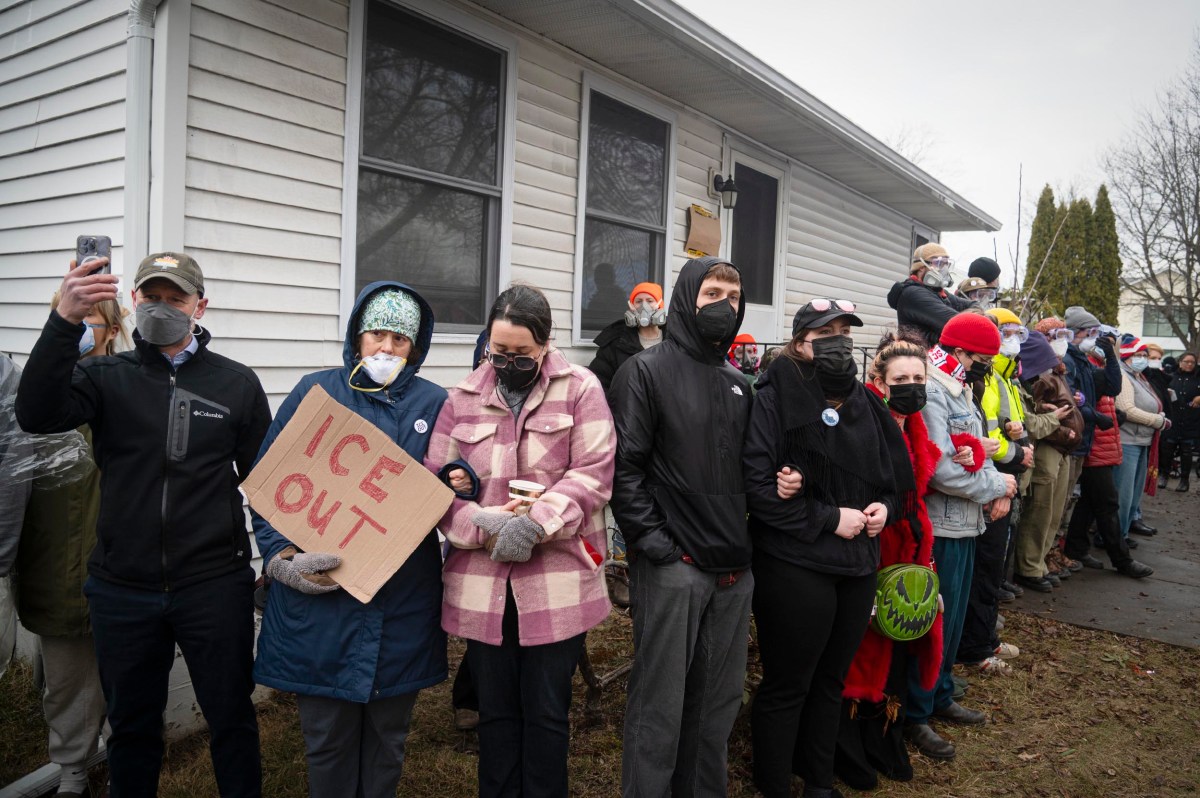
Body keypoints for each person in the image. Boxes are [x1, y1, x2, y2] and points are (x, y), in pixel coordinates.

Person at [16, 252, 270, 797]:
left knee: (231, 717)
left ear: (199, 306)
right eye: (150, 297)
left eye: (174, 298)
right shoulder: (104, 376)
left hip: (212, 585)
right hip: (121, 588)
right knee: (131, 729)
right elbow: (35, 413)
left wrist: (281, 553)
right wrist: (64, 319)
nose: (160, 308)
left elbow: (266, 481)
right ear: (133, 300)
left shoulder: (236, 384)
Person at [611, 257, 798, 796]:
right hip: (675, 567)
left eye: (733, 295)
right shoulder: (645, 371)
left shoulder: (739, 382)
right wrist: (655, 546)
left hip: (734, 570)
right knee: (660, 708)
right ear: (686, 297)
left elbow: (750, 469)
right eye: (711, 292)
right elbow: (626, 469)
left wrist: (782, 482)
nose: (724, 305)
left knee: (717, 707)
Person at [251, 283, 448, 798]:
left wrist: (459, 477)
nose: (386, 349)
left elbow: (448, 481)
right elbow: (272, 483)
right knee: (327, 741)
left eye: (400, 340)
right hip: (321, 605)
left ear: (416, 347)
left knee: (389, 740)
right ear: (357, 337)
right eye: (376, 335)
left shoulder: (436, 402)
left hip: (402, 601)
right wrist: (279, 556)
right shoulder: (316, 393)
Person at [426, 284, 616, 797]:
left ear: (546, 343)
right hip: (482, 581)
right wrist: (479, 526)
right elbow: (434, 484)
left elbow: (594, 473)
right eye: (498, 350)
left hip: (556, 579)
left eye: (521, 354)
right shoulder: (461, 399)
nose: (507, 362)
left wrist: (537, 523)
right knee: (497, 712)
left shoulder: (581, 388)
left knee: (548, 711)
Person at [742, 297, 906, 798]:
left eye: (844, 333)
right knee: (788, 683)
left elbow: (895, 480)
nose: (837, 342)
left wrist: (883, 509)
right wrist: (829, 517)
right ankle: (772, 783)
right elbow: (758, 490)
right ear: (799, 344)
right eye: (824, 334)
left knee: (830, 682)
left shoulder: (865, 403)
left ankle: (817, 782)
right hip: (796, 563)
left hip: (856, 566)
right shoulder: (772, 398)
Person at [14, 294, 127, 798]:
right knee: (65, 676)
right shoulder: (33, 393)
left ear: (112, 327)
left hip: (122, 565)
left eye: (93, 318)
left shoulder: (130, 386)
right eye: (73, 316)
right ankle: (73, 770)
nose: (84, 326)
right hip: (53, 558)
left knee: (125, 672)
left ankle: (126, 755)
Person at [834, 333, 944, 791]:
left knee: (897, 644)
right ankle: (847, 744)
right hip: (873, 546)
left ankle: (885, 737)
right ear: (878, 381)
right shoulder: (863, 421)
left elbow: (917, 493)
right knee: (862, 648)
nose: (911, 385)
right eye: (902, 378)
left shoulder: (914, 424)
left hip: (911, 548)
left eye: (919, 378)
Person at [903, 312, 1014, 762]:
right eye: (982, 358)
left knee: (954, 615)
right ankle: (916, 711)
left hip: (967, 520)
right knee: (934, 619)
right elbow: (943, 467)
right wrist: (996, 486)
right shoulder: (933, 390)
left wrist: (995, 480)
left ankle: (940, 691)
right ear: (959, 351)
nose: (985, 366)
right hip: (944, 522)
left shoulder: (960, 385)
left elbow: (977, 445)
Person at [956, 308, 1032, 677]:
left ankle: (983, 637)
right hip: (990, 483)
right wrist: (1014, 458)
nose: (1014, 340)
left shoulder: (1002, 378)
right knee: (983, 570)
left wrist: (1018, 449)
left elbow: (1005, 429)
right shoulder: (982, 378)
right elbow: (983, 441)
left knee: (991, 569)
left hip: (1001, 477)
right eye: (1008, 332)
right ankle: (975, 646)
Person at [1058, 308, 1152, 578]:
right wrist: (1097, 417)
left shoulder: (1089, 362)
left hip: (1099, 443)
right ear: (1078, 333)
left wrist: (1111, 355)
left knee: (1090, 501)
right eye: (1095, 333)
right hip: (1093, 443)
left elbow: (1112, 386)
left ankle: (1076, 548)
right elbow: (1083, 398)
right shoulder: (1073, 361)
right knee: (1108, 502)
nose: (1099, 338)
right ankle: (1121, 560)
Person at [1012, 331, 1083, 593]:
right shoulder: (1036, 377)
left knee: (1052, 510)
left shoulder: (1051, 372)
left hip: (1059, 447)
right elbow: (1029, 418)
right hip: (1047, 448)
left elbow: (1038, 408)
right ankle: (1029, 566)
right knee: (1040, 509)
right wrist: (1062, 429)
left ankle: (1037, 563)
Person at [1113, 337, 1169, 542]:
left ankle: (1123, 533)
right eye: (1139, 355)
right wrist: (1157, 421)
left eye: (1145, 356)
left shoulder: (1138, 376)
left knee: (1133, 495)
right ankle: (1115, 537)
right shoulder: (1123, 375)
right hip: (1129, 441)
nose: (1143, 359)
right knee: (1123, 495)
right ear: (1127, 356)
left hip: (1142, 440)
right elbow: (1127, 409)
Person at [886, 243, 975, 346]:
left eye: (947, 264)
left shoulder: (937, 292)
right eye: (939, 263)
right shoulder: (913, 294)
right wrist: (975, 316)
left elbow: (974, 305)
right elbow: (960, 324)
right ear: (921, 268)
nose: (944, 269)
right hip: (919, 358)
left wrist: (973, 312)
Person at [588, 281, 666, 395]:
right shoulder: (615, 343)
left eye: (650, 301)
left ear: (660, 304)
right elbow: (598, 383)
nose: (644, 306)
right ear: (631, 306)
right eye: (638, 301)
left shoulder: (675, 339)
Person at [1165, 351, 1200, 492]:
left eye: (1192, 362)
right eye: (1186, 361)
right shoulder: (1171, 377)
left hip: (1191, 419)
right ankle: (1163, 474)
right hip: (1173, 417)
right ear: (1180, 362)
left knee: (1187, 451)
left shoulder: (1198, 378)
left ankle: (1184, 480)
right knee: (1167, 448)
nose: (1189, 364)